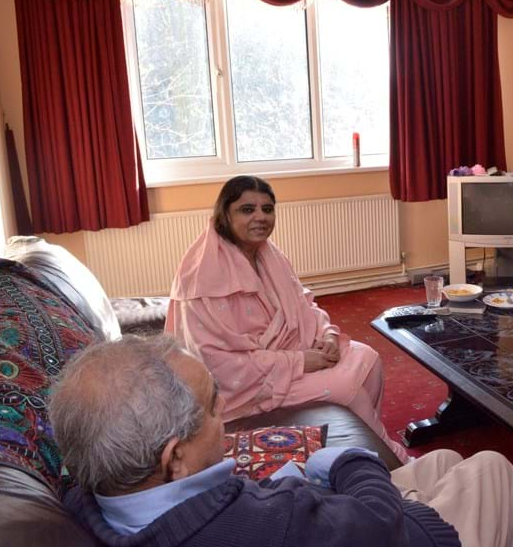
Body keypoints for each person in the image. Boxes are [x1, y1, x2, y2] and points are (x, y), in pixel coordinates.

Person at [49, 335, 513, 547]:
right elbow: (379, 524)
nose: (228, 422)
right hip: (395, 533)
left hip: (329, 519)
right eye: (215, 407)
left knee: (444, 459)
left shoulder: (87, 502)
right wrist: (350, 462)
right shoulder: (261, 526)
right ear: (174, 457)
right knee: (490, 467)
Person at [165, 176, 406, 461]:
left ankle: (361, 448)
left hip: (288, 356)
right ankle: (392, 462)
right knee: (346, 388)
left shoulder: (269, 255)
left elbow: (304, 304)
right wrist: (299, 362)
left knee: (368, 359)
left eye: (267, 209)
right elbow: (217, 365)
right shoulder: (201, 275)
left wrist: (326, 334)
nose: (260, 217)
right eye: (247, 209)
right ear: (224, 215)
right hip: (247, 386)